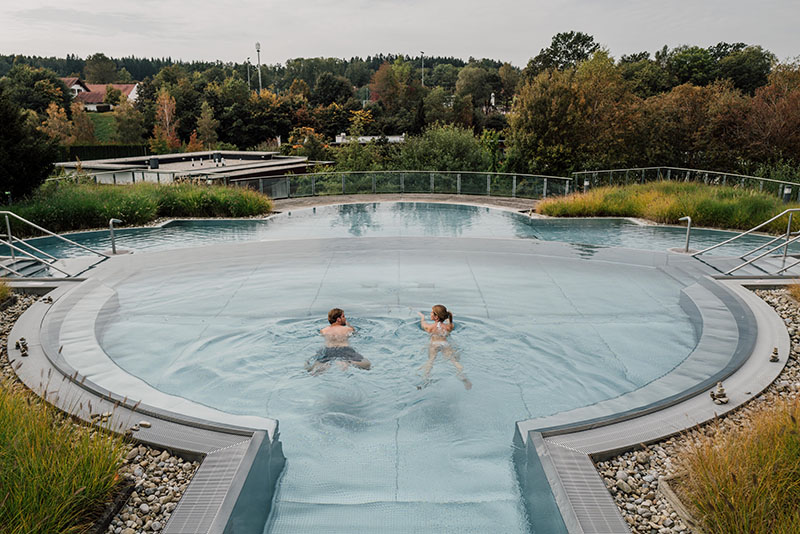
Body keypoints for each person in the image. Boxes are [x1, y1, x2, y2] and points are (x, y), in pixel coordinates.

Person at [417, 304, 471, 390]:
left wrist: (422, 317)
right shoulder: (449, 327)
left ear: (436, 317)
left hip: (434, 344)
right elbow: (451, 323)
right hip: (445, 344)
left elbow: (423, 324)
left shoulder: (429, 327)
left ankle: (425, 380)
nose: (430, 314)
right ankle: (463, 377)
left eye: (432, 313)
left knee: (430, 361)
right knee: (454, 361)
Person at [306, 308, 371, 375]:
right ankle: (346, 363)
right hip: (344, 350)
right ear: (338, 319)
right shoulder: (348, 329)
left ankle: (325, 366)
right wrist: (348, 324)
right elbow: (356, 335)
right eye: (343, 316)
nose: (345, 318)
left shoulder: (323, 330)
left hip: (328, 350)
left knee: (312, 368)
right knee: (367, 365)